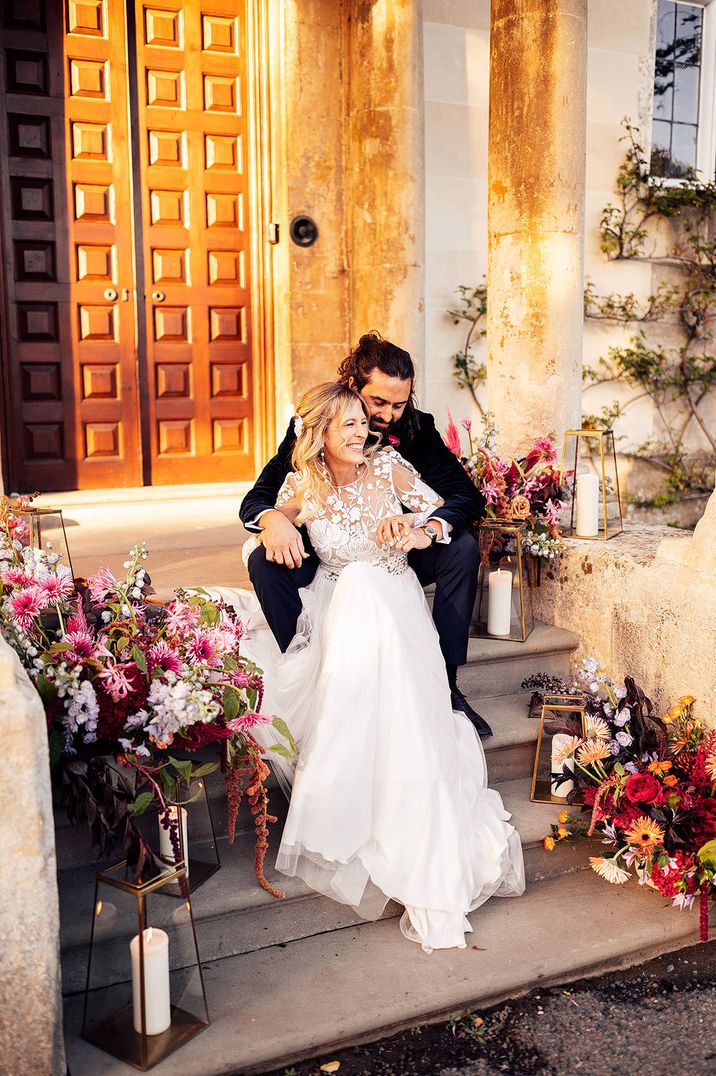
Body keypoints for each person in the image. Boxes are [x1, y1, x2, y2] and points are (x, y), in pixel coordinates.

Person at [218, 383, 525, 954]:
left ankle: (411, 806)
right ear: (320, 436)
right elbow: (264, 519)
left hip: (395, 602)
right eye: (351, 425)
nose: (364, 433)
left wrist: (416, 530)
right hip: (339, 611)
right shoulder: (303, 485)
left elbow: (443, 506)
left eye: (365, 422)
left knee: (367, 582)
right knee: (353, 584)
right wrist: (272, 522)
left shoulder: (389, 467)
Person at [240, 332, 493, 737]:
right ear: (354, 388)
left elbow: (465, 496)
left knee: (461, 547)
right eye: (378, 403)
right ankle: (306, 676)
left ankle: (446, 685)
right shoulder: (316, 422)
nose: (389, 415)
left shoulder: (416, 429)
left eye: (399, 403)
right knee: (262, 562)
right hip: (332, 553)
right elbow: (260, 497)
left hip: (398, 549)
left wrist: (425, 527)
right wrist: (274, 521)